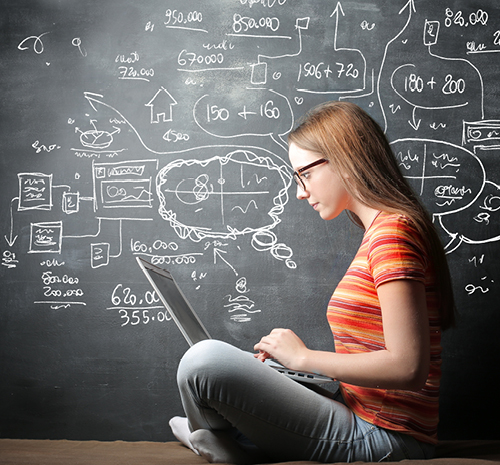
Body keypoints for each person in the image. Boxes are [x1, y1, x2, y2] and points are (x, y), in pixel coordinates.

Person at [169, 101, 455, 463]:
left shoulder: (393, 234)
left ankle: (220, 444)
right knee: (220, 364)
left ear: (345, 159)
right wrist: (289, 371)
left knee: (202, 360)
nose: (300, 191)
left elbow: (408, 368)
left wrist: (304, 358)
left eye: (304, 174)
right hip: (352, 410)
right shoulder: (380, 232)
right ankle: (223, 441)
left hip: (386, 436)